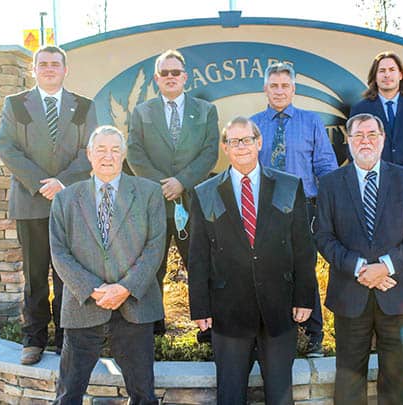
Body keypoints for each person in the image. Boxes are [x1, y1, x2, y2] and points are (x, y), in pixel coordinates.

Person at [188, 116, 317, 405]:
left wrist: (304, 297)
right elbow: (197, 256)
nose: (241, 146)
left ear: (259, 143)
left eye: (247, 140)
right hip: (228, 312)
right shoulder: (204, 193)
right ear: (225, 147)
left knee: (280, 396)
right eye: (234, 141)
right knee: (230, 395)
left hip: (279, 308)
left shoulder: (288, 185)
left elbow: (303, 248)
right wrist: (200, 306)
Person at [315, 113, 403, 404]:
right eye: (358, 135)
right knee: (349, 380)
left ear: (382, 139)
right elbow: (324, 238)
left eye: (372, 135)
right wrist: (360, 268)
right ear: (349, 141)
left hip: (398, 292)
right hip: (350, 295)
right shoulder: (330, 184)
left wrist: (385, 267)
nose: (365, 141)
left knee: (397, 378)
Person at [50, 126, 165, 404]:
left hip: (135, 305)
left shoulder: (149, 192)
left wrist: (124, 288)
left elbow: (155, 246)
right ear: (89, 154)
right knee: (68, 393)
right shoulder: (66, 198)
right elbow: (59, 252)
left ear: (124, 155)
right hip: (84, 304)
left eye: (115, 149)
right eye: (100, 149)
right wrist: (95, 289)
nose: (107, 156)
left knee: (143, 395)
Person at [0, 45, 98, 365]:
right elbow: (8, 149)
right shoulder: (16, 105)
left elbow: (90, 150)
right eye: (43, 64)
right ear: (34, 69)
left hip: (71, 203)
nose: (49, 68)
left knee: (68, 274)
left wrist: (62, 183)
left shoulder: (83, 106)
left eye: (56, 64)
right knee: (36, 274)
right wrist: (43, 184)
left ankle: (66, 338)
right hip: (31, 202)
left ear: (66, 70)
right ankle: (34, 339)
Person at [127, 49, 219, 335]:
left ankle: (206, 328)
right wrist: (162, 184)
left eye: (175, 72)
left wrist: (182, 181)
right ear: (156, 79)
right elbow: (135, 154)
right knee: (154, 266)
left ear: (185, 77)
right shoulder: (142, 113)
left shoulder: (205, 110)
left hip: (194, 201)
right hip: (154, 202)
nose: (170, 77)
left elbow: (209, 152)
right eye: (164, 73)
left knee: (200, 264)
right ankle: (154, 328)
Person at [251, 62, 338, 357]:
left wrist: (334, 202)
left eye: (284, 86)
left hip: (304, 207)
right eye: (273, 85)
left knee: (304, 269)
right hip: (264, 208)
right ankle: (273, 332)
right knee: (266, 269)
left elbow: (325, 166)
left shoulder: (311, 122)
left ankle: (314, 335)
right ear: (265, 88)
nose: (279, 91)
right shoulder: (253, 125)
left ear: (293, 89)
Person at [350, 51, 403, 343]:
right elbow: (358, 148)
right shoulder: (362, 107)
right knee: (377, 254)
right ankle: (379, 330)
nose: (387, 75)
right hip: (374, 192)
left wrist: (401, 174)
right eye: (381, 71)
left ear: (401, 75)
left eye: (391, 70)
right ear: (375, 77)